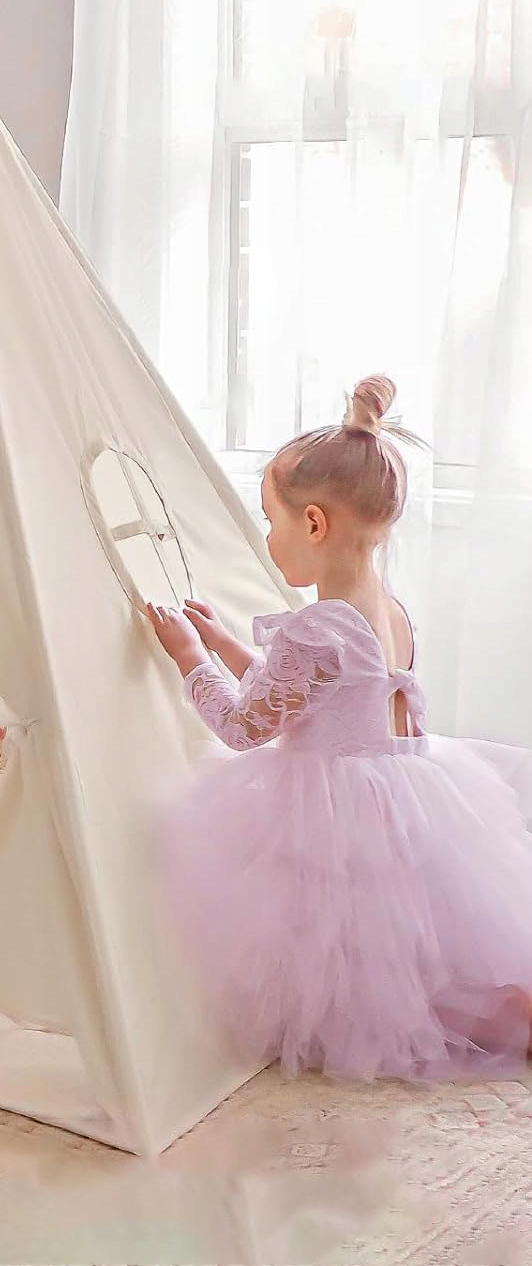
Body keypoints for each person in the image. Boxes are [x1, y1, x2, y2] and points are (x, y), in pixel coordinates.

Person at [148, 375, 532, 1080]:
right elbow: (310, 693)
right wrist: (227, 644)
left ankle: (497, 1017)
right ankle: (506, 1005)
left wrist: (189, 657)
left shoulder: (318, 627)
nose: (269, 538)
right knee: (409, 945)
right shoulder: (385, 608)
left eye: (271, 522)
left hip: (333, 807)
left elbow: (245, 727)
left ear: (315, 524)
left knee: (344, 948)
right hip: (402, 791)